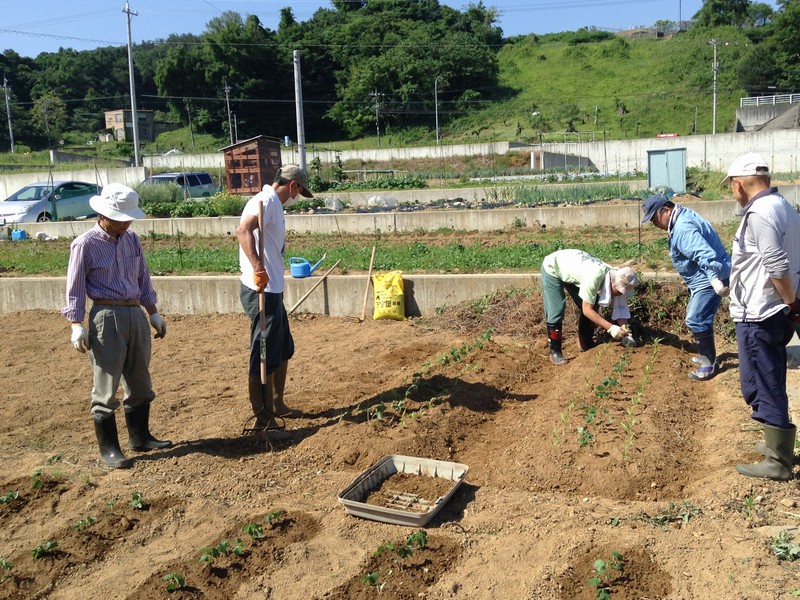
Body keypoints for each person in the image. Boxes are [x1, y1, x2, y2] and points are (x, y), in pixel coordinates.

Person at [63, 183, 172, 469]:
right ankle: (110, 449)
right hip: (105, 315)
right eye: (121, 219)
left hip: (134, 313)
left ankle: (140, 437)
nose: (126, 224)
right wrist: (76, 323)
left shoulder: (132, 240)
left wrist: (153, 313)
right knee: (106, 384)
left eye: (128, 219)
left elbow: (143, 278)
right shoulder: (85, 244)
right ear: (104, 215)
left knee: (140, 379)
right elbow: (74, 287)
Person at [721, 153, 800, 481]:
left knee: (761, 383)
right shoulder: (784, 206)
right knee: (768, 378)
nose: (732, 192)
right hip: (773, 310)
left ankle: (779, 461)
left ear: (739, 183)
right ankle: (775, 443)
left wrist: (790, 302)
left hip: (760, 313)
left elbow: (777, 265)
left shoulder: (759, 213)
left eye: (731, 187)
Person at [236, 165, 312, 435]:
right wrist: (258, 267)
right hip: (261, 291)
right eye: (299, 192)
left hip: (273, 289)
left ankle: (277, 403)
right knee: (263, 351)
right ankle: (263, 415)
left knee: (282, 346)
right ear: (293, 186)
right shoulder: (266, 200)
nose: (297, 198)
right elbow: (243, 230)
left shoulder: (273, 203)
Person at [641, 194, 731, 380]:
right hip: (702, 278)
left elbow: (704, 254)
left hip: (708, 278)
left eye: (654, 219)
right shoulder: (681, 217)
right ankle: (707, 356)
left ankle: (709, 364)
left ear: (665, 210)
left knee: (696, 318)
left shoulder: (682, 228)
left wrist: (714, 279)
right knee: (696, 316)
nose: (654, 224)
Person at [541, 249, 638, 365]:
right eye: (619, 291)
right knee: (557, 309)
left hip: (572, 268)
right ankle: (555, 352)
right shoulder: (594, 277)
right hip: (554, 266)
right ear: (613, 283)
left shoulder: (617, 276)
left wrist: (627, 332)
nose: (620, 294)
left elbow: (620, 308)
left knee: (594, 302)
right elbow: (587, 310)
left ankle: (585, 342)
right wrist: (611, 328)